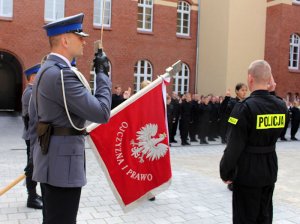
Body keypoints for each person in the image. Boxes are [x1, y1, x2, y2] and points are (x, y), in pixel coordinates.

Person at [31, 13, 112, 223]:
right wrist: (103, 73)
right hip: (62, 166)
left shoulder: (45, 70)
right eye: (79, 36)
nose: (84, 40)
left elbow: (35, 116)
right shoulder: (62, 74)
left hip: (50, 159)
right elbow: (102, 112)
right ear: (65, 40)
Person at [220, 60, 288, 224]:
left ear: (250, 79)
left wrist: (225, 172)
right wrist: (272, 93)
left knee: (245, 218)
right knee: (264, 217)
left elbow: (234, 146)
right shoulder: (280, 106)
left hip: (247, 172)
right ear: (269, 79)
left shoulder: (244, 108)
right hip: (269, 168)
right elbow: (281, 131)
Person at [21, 64, 43, 209]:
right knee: (32, 167)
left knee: (34, 166)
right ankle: (31, 197)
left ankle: (34, 194)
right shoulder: (30, 93)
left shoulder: (32, 91)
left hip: (33, 135)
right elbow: (31, 117)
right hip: (32, 136)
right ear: (33, 77)